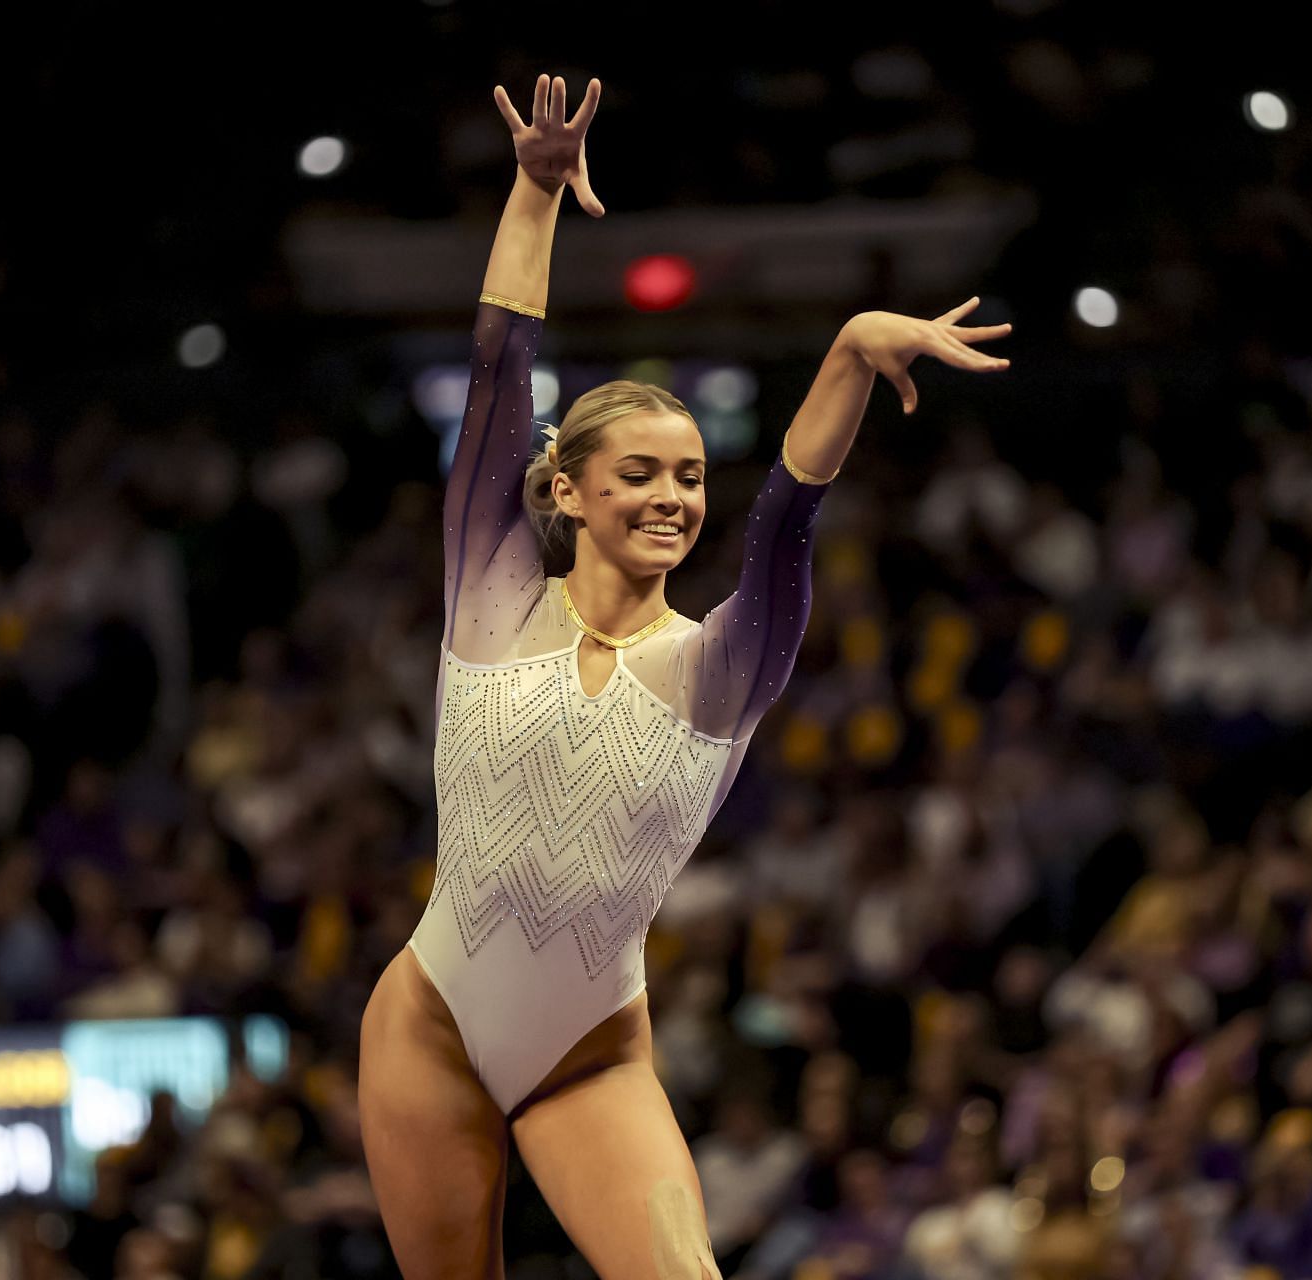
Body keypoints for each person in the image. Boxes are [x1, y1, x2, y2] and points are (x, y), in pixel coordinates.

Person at [354, 73, 1012, 1279]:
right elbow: (501, 366)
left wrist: (854, 354)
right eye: (642, 474)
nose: (673, 499)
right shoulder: (492, 590)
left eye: (691, 476)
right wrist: (535, 191)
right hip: (430, 1024)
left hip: (589, 1051)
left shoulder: (720, 667)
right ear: (567, 490)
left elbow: (788, 525)